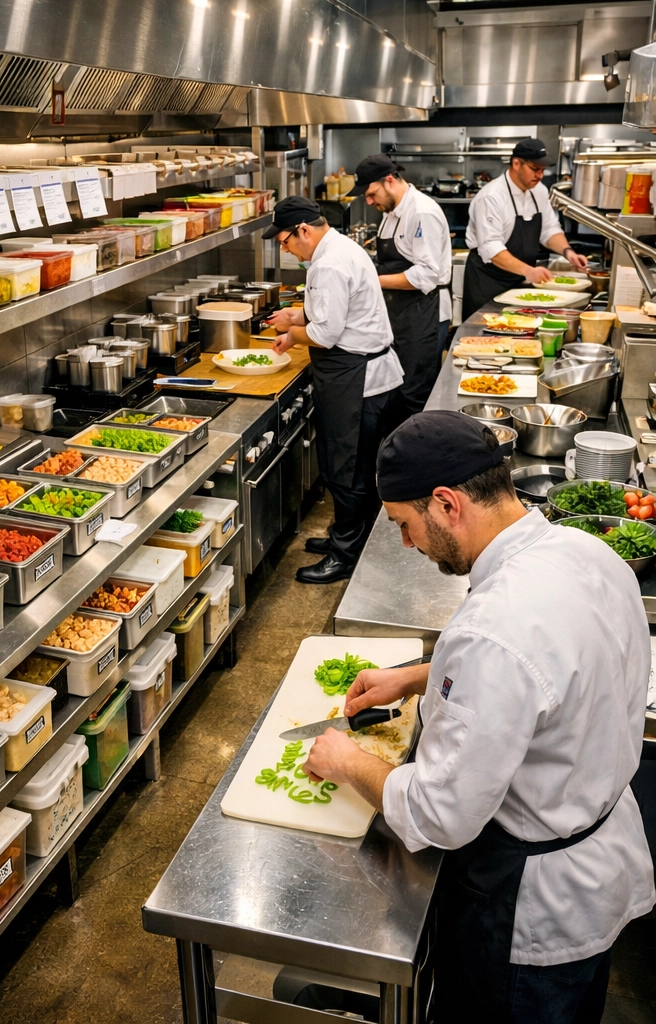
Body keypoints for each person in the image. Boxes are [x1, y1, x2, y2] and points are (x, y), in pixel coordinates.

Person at [303, 410, 654, 1024]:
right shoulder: (585, 552)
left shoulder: (494, 630)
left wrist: (348, 760)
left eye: (405, 525)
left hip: (530, 910)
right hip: (598, 863)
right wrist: (420, 675)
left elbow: (441, 813)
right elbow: (556, 674)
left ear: (445, 503)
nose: (408, 544)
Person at [264, 196, 403, 584]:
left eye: (286, 241)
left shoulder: (327, 263)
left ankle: (345, 555)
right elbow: (335, 310)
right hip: (364, 373)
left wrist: (292, 333)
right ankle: (348, 537)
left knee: (347, 469)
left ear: (304, 230)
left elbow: (325, 334)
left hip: (356, 378)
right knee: (354, 465)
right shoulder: (341, 247)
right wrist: (296, 315)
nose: (286, 249)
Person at [348, 154, 452, 420]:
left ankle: (416, 457)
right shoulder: (392, 212)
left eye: (371, 194)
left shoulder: (421, 212)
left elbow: (426, 275)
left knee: (413, 395)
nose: (370, 202)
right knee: (396, 393)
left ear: (390, 180)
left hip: (423, 315)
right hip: (400, 314)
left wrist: (371, 281)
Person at [461, 138, 590, 321]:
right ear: (516, 163)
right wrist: (529, 271)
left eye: (543, 170)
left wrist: (568, 252)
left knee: (519, 331)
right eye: (535, 169)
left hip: (520, 278)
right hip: (488, 280)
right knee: (484, 332)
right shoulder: (491, 197)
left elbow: (549, 229)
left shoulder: (539, 191)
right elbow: (492, 248)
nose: (539, 175)